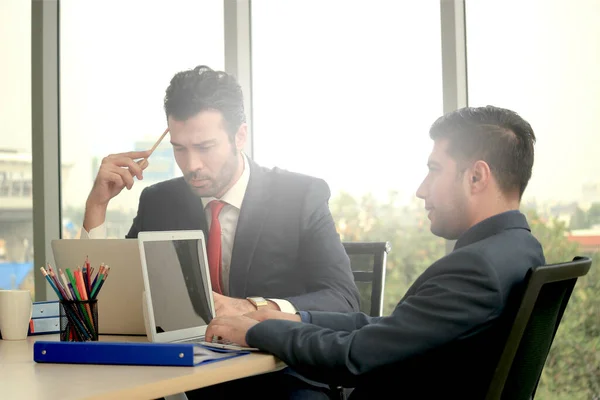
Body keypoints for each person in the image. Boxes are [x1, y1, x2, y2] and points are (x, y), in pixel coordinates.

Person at [205, 105, 546, 399]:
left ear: (476, 177)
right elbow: (393, 331)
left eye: (434, 169)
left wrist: (252, 331)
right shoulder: (520, 250)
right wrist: (299, 318)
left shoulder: (477, 269)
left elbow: (355, 357)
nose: (421, 190)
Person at [81, 65, 359, 317]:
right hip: (186, 363)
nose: (191, 165)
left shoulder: (300, 197)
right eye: (179, 148)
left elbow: (343, 299)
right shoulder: (159, 202)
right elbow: (111, 297)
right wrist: (97, 205)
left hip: (272, 365)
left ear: (240, 136)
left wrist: (251, 307)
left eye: (205, 147)